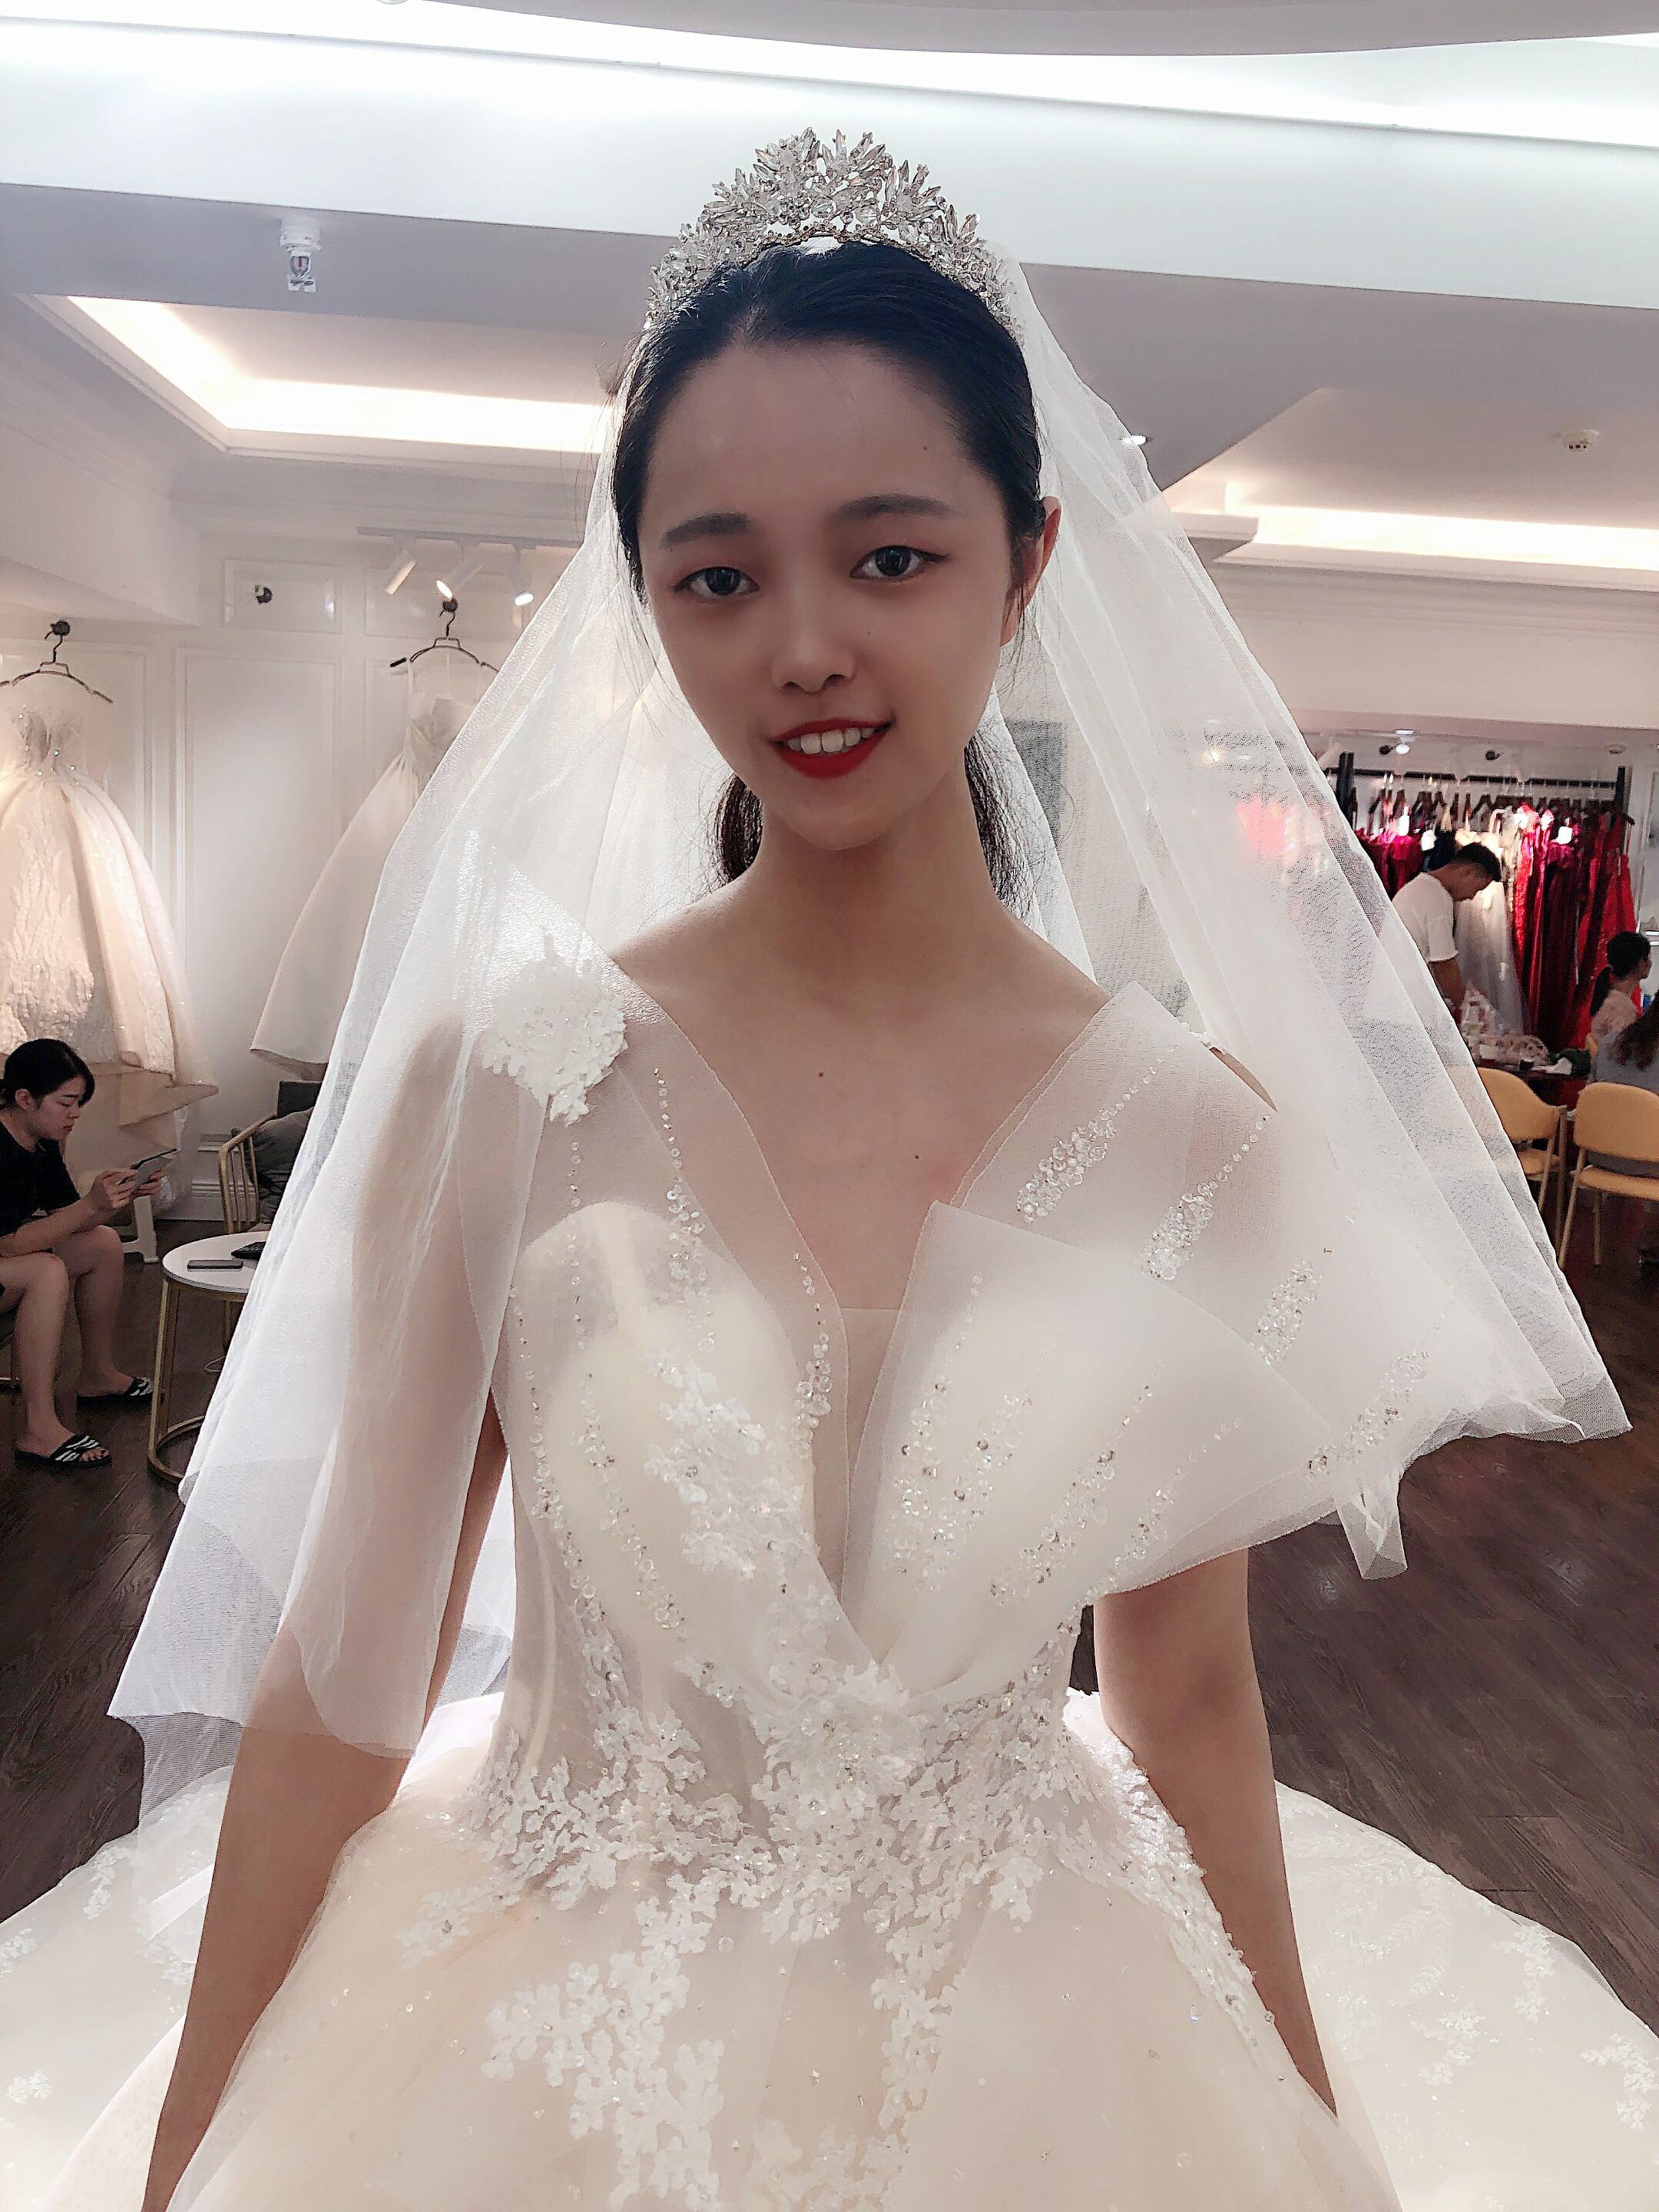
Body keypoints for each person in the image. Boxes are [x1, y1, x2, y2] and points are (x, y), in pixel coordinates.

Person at [3, 131, 1646, 2212]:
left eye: (887, 558)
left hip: (1050, 2042)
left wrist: (1304, 2128)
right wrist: (184, 2158)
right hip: (536, 2034)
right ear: (647, 600)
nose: (801, 648)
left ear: (1024, 565)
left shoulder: (1189, 1132)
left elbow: (1187, 1698)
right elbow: (348, 1674)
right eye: (717, 575)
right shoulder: (505, 1083)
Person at [0, 1038, 167, 1472]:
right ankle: (38, 1428)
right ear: (25, 1098)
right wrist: (90, 1206)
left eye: (78, 1103)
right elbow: (10, 1244)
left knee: (102, 1244)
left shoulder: (40, 1140)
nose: (74, 1114)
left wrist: (116, 1199)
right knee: (45, 1271)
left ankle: (98, 1374)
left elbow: (67, 1218)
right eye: (65, 1103)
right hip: (7, 1254)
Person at [1388, 840, 1503, 1018]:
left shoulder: (1419, 886)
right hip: (1402, 1006)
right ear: (1467, 872)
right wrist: (1468, 1007)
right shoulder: (1437, 898)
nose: (1472, 897)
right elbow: (1444, 965)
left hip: (1392, 996)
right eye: (1477, 889)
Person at [1588, 996, 1659, 1263]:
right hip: (1651, 1164)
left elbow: (1589, 1099)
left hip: (1601, 1157)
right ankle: (1653, 1234)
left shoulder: (1608, 1045)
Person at [1587, 929, 1652, 1052]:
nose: (1650, 963)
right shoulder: (1622, 1007)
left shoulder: (1611, 997)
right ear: (1640, 963)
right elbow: (1621, 1053)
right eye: (1647, 958)